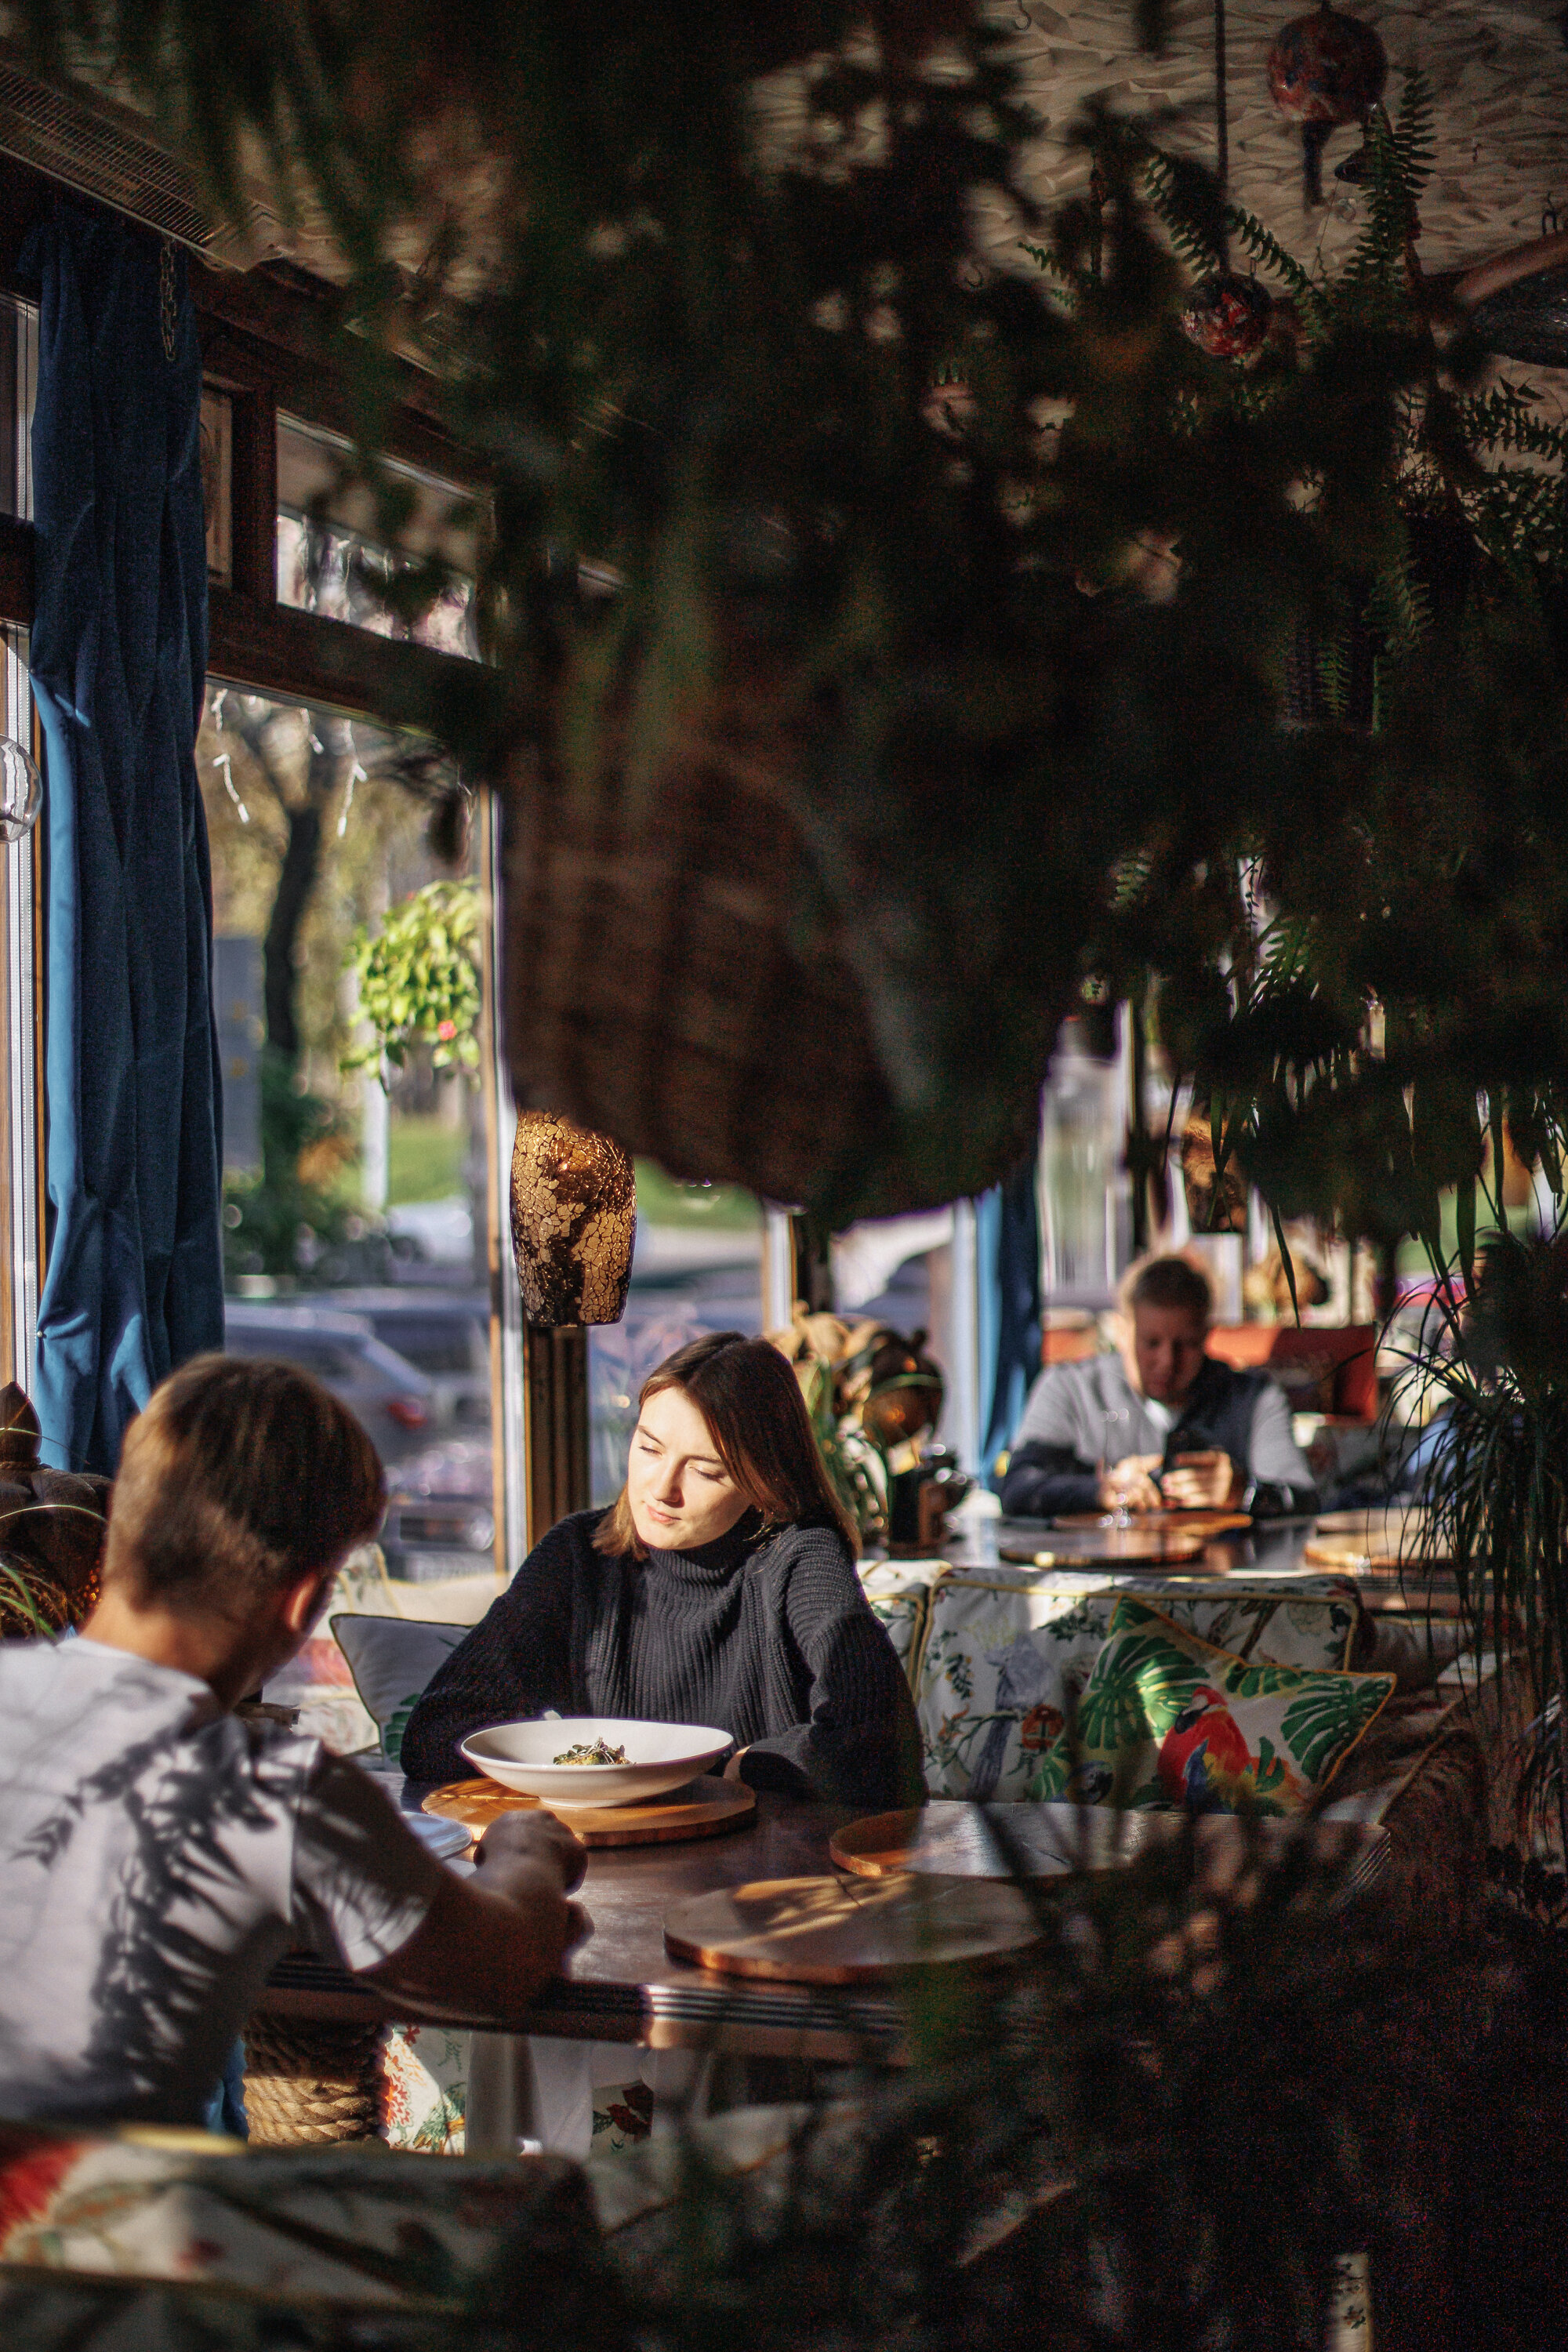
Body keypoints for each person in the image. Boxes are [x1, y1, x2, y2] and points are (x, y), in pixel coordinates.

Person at [0, 1355, 586, 2129]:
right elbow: (497, 1971)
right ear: (305, 1598)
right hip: (94, 2235)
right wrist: (526, 1852)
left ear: (120, 1530)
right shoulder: (269, 1790)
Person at [401, 1332, 923, 1813]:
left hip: (768, 1885)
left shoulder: (798, 1556)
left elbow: (877, 1739)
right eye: (649, 1448)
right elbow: (436, 1731)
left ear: (762, 1482)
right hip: (609, 1873)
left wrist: (727, 1768)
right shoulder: (578, 1557)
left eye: (706, 1470)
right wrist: (568, 1767)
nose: (661, 1489)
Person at [999, 1254, 1318, 1520]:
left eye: (1187, 1345)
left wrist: (1243, 1493)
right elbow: (1017, 1489)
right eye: (1151, 1343)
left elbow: (1305, 1500)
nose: (1167, 1361)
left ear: (1208, 1335)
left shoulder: (1253, 1398)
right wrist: (1103, 1491)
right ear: (1120, 1332)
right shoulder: (1070, 1389)